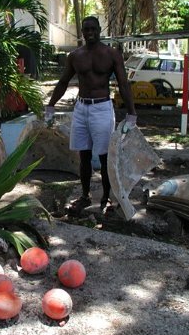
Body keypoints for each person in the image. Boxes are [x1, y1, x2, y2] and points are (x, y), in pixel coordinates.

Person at [45, 16, 137, 215]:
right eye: (86, 29)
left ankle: (105, 199)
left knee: (105, 157)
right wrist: (51, 105)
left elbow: (123, 84)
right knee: (83, 155)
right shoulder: (75, 56)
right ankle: (85, 195)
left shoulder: (111, 54)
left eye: (93, 28)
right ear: (82, 31)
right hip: (81, 109)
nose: (89, 32)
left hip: (102, 108)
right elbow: (63, 82)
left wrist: (132, 113)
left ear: (99, 29)